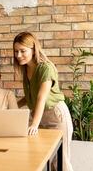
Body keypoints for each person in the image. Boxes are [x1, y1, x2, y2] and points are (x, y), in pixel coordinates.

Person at [13, 31, 73, 171]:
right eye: (16, 51)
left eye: (23, 51)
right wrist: (11, 105)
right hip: (39, 116)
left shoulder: (46, 68)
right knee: (46, 161)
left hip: (55, 116)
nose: (18, 55)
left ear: (34, 49)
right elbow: (30, 97)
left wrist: (34, 124)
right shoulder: (26, 68)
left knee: (61, 164)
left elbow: (41, 97)